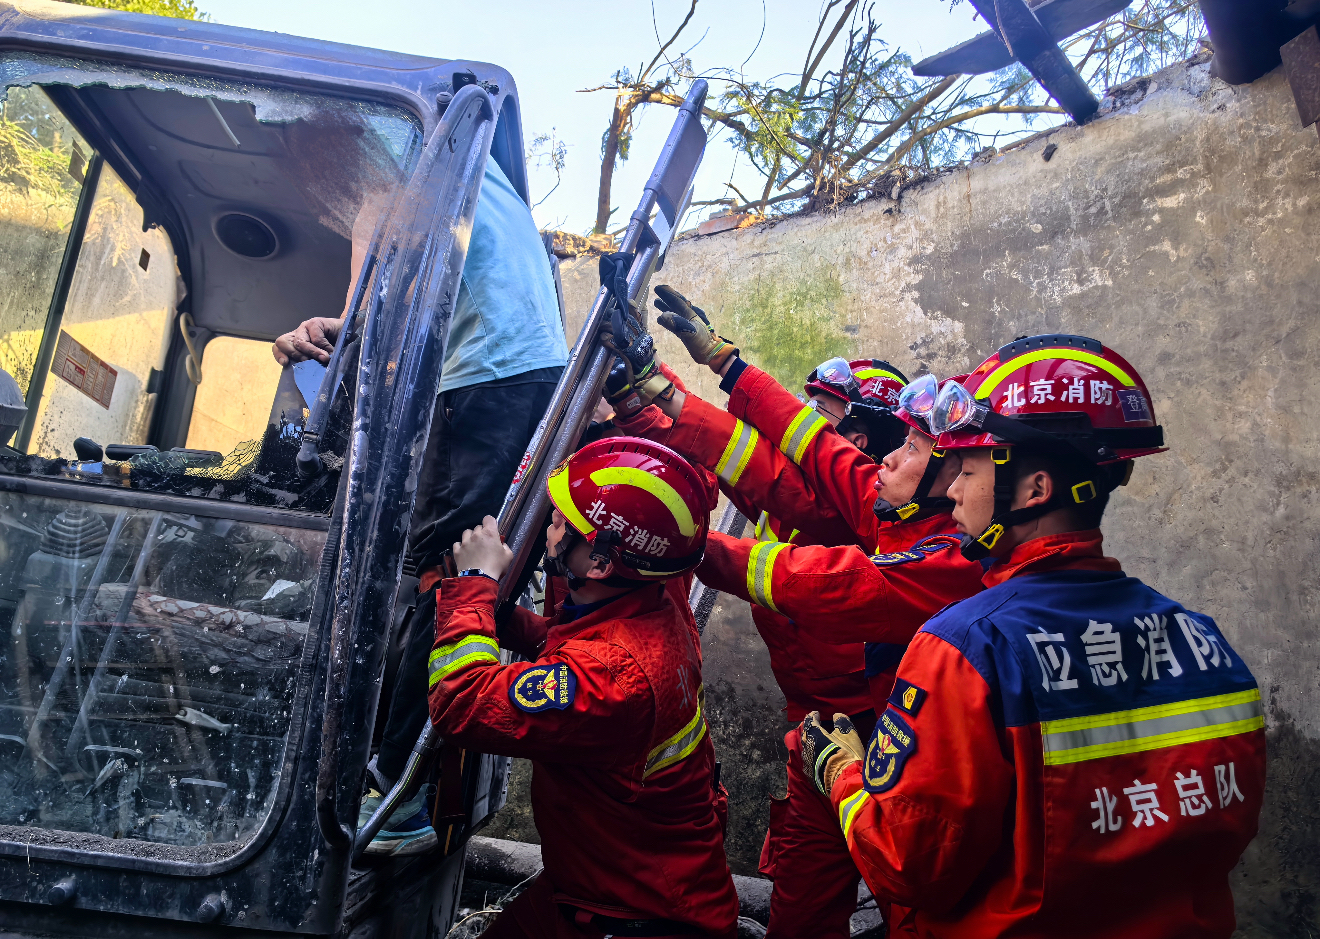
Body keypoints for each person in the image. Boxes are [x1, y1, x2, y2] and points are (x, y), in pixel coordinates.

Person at [806, 335, 1265, 938]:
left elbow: (910, 867)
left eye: (967, 469)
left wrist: (841, 774)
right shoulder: (1202, 639)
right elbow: (1224, 827)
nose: (951, 490)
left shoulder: (964, 648)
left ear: (1035, 490)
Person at [609, 286, 984, 939]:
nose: (883, 457)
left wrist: (675, 541)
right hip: (817, 731)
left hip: (888, 739)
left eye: (906, 448)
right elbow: (771, 449)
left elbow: (814, 574)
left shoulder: (912, 542)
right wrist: (667, 385)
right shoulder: (876, 502)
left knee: (916, 908)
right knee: (803, 912)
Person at [273, 157, 569, 854]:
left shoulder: (395, 148)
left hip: (492, 373)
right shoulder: (457, 168)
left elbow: (372, 296)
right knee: (436, 566)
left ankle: (394, 789)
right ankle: (395, 772)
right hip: (507, 369)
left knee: (434, 574)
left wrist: (331, 329)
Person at [427, 438, 739, 939]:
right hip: (603, 882)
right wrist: (501, 620)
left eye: (559, 524)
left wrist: (474, 582)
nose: (548, 528)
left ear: (598, 564)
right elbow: (570, 645)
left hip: (634, 918)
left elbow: (461, 703)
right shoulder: (654, 602)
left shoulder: (615, 677)